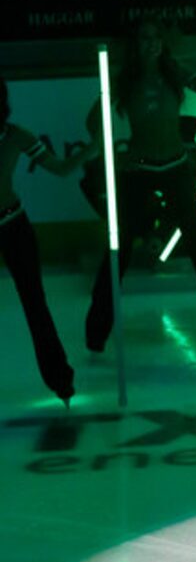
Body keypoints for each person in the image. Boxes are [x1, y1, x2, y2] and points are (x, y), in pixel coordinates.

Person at [85, 20, 196, 353]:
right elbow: (92, 121)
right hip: (138, 170)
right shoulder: (123, 81)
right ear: (136, 44)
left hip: (175, 167)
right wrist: (109, 152)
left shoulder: (177, 72)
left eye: (157, 37)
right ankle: (96, 333)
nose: (152, 43)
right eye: (145, 37)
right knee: (120, 250)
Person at [0, 79, 89, 403]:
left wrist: (94, 148)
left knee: (35, 303)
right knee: (35, 304)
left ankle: (60, 379)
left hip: (12, 223)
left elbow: (62, 169)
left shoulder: (15, 135)